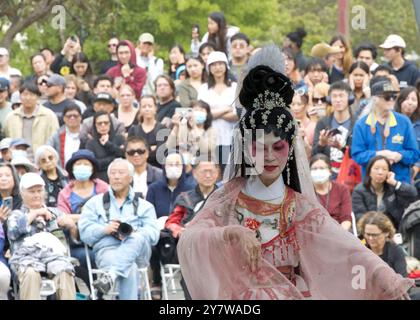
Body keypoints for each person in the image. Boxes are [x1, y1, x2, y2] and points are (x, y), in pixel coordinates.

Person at [177, 46, 413, 300]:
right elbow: (190, 238)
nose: (269, 157)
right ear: (245, 148)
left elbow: (349, 249)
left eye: (277, 147)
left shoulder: (299, 207)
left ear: (290, 149)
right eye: (260, 147)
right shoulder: (227, 199)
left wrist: (387, 281)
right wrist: (228, 233)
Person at [78, 158, 159, 300]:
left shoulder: (145, 206)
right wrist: (105, 229)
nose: (116, 176)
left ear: (130, 177)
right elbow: (84, 232)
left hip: (139, 254)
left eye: (121, 173)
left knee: (137, 237)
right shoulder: (94, 203)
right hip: (108, 252)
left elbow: (153, 235)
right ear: (108, 177)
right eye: (113, 173)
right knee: (130, 269)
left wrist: (132, 231)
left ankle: (111, 275)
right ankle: (113, 275)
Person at [7, 172, 77, 300]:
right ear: (22, 193)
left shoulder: (55, 212)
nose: (36, 195)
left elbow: (75, 239)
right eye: (32, 191)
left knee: (65, 270)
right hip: (25, 260)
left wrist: (72, 226)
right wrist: (35, 213)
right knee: (30, 272)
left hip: (55, 258)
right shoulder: (16, 214)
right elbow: (12, 233)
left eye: (39, 191)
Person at [351, 76, 419, 183]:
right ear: (375, 99)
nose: (391, 100)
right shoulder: (362, 124)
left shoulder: (404, 122)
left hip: (399, 182)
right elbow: (357, 155)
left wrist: (399, 156)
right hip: (372, 184)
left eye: (394, 96)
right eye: (387, 97)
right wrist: (378, 154)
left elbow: (415, 154)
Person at [146, 151, 195, 299]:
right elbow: (148, 211)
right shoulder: (154, 188)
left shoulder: (191, 188)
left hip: (180, 232)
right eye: (170, 164)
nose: (173, 167)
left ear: (184, 167)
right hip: (159, 230)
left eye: (177, 164)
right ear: (163, 167)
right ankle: (156, 281)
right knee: (152, 244)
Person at [57, 149, 109, 269]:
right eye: (78, 164)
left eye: (86, 164)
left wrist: (76, 217)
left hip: (103, 237)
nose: (82, 167)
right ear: (72, 168)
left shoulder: (103, 188)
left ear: (92, 168)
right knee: (86, 257)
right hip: (77, 242)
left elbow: (108, 214)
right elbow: (63, 218)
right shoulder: (65, 194)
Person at [197, 51, 238, 173]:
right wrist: (225, 109)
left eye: (221, 64)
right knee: (212, 172)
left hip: (231, 137)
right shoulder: (204, 89)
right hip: (209, 139)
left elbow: (237, 114)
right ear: (209, 68)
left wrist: (213, 113)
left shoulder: (235, 87)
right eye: (214, 64)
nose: (218, 67)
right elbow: (201, 115)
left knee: (229, 173)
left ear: (226, 66)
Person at [352, 155, 417, 229]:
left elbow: (413, 194)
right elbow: (359, 216)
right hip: (367, 231)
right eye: (376, 168)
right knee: (362, 238)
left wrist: (394, 183)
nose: (380, 172)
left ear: (389, 172)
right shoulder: (359, 190)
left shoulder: (393, 188)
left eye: (384, 169)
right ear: (369, 171)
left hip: (392, 231)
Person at [4, 82, 59, 159]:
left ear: (38, 97)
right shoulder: (11, 117)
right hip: (17, 159)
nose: (28, 98)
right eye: (25, 94)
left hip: (42, 159)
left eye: (32, 95)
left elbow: (55, 140)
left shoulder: (49, 116)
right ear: (20, 97)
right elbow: (7, 138)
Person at [358, 211, 408, 277]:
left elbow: (402, 280)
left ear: (386, 233)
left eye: (375, 235)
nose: (370, 238)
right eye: (367, 234)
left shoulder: (396, 251)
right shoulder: (360, 249)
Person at [310, 154, 352, 230]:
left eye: (322, 168)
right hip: (313, 232)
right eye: (314, 168)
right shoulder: (305, 190)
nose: (318, 171)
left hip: (338, 231)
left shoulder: (342, 189)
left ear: (330, 171)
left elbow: (346, 219)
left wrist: (340, 234)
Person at [128, 95, 167, 168]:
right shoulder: (133, 130)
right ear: (140, 109)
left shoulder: (162, 129)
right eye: (144, 106)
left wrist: (140, 150)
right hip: (137, 169)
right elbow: (130, 153)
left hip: (157, 170)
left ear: (155, 108)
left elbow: (160, 156)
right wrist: (150, 148)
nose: (147, 109)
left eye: (150, 106)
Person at [85, 111, 125, 182]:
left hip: (120, 179)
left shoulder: (119, 138)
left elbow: (124, 155)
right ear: (95, 125)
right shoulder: (90, 143)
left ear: (110, 124)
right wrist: (114, 159)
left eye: (106, 123)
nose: (103, 125)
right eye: (99, 123)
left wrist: (108, 144)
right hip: (99, 181)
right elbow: (94, 165)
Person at [394, 87, 420, 180]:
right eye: (406, 99)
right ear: (400, 101)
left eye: (414, 100)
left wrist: (416, 167)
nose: (410, 102)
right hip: (395, 169)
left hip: (416, 175)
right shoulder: (391, 119)